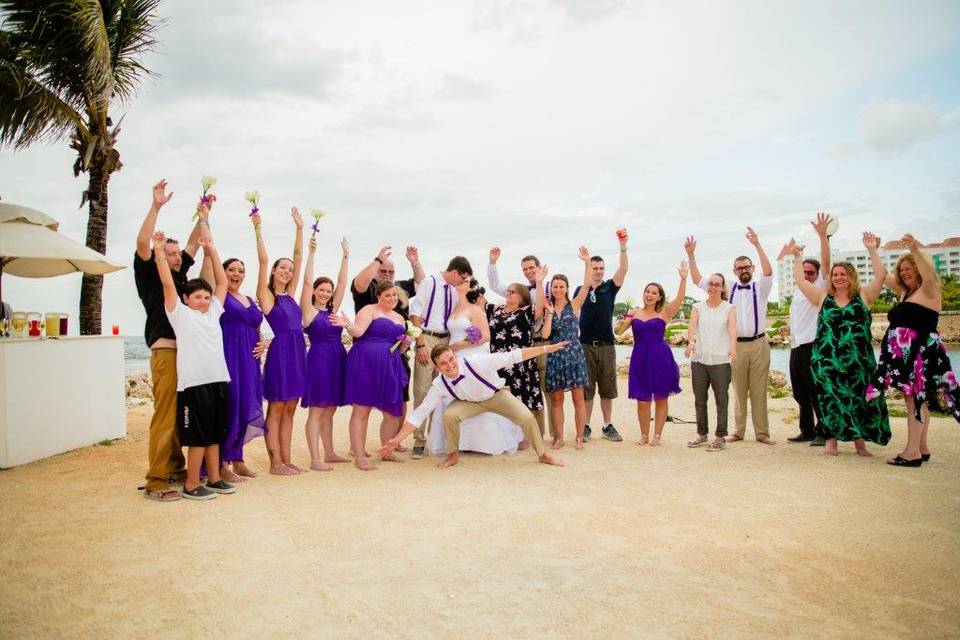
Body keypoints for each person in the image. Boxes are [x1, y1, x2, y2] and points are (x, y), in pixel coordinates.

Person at [134, 179, 209, 502]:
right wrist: (156, 206)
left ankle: (175, 468)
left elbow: (194, 244)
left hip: (186, 354)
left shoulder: (180, 275)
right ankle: (155, 480)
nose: (178, 257)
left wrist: (203, 214)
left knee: (181, 414)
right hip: (165, 349)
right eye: (171, 253)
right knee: (165, 415)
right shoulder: (151, 271)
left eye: (177, 254)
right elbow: (141, 242)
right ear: (158, 255)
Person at [379, 343, 568, 469]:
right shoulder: (439, 384)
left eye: (451, 359)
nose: (450, 365)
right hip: (469, 403)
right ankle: (453, 455)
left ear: (455, 356)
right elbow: (420, 413)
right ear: (436, 368)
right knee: (449, 415)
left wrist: (546, 348)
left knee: (527, 417)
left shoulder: (476, 362)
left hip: (496, 395)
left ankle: (543, 455)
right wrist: (396, 440)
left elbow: (514, 356)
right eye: (443, 364)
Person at [153, 227, 235, 500]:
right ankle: (190, 483)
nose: (202, 300)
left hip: (217, 381)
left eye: (205, 296)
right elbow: (167, 284)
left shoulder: (213, 312)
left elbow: (222, 285)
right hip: (194, 385)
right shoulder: (180, 314)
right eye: (197, 296)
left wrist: (211, 248)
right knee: (198, 437)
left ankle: (213, 478)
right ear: (186, 299)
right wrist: (158, 252)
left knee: (214, 435)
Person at [790, 234, 890, 456]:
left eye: (842, 274)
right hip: (828, 362)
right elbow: (800, 280)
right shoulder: (822, 296)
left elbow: (881, 275)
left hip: (859, 362)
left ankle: (860, 443)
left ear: (851, 276)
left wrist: (873, 250)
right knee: (829, 400)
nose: (838, 277)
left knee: (859, 400)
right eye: (835, 274)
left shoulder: (864, 296)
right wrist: (797, 257)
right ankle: (831, 442)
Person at [869, 234, 960, 467]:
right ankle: (921, 447)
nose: (905, 273)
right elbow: (883, 275)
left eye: (910, 269)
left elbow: (929, 273)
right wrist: (872, 251)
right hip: (910, 356)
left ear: (919, 269)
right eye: (903, 270)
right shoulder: (905, 292)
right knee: (919, 400)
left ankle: (912, 452)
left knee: (915, 401)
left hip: (920, 354)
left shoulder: (929, 289)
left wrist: (915, 249)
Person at [686, 227, 776, 445]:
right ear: (734, 271)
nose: (744, 270)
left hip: (759, 343)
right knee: (737, 390)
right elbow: (698, 279)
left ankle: (762, 433)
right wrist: (691, 256)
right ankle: (738, 431)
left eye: (747, 267)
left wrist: (757, 244)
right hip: (735, 346)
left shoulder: (761, 288)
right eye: (739, 268)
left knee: (758, 390)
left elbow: (768, 271)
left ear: (751, 268)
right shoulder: (728, 288)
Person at [426, 279, 524, 456]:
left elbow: (486, 336)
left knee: (477, 397)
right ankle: (461, 442)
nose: (459, 283)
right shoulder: (454, 309)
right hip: (453, 359)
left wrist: (460, 346)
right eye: (459, 280)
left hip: (470, 356)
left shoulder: (475, 309)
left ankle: (483, 443)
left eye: (464, 281)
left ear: (471, 286)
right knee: (453, 399)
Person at [252, 208, 306, 475]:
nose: (287, 271)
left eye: (290, 270)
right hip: (281, 353)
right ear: (274, 270)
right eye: (282, 267)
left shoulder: (291, 295)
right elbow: (262, 262)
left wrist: (299, 229)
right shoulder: (268, 295)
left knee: (290, 409)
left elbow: (299, 256)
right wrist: (258, 229)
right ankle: (275, 463)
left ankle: (286, 458)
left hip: (298, 354)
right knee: (276, 408)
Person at [336, 281, 410, 470]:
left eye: (394, 295)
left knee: (393, 412)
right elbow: (358, 332)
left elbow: (399, 349)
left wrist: (405, 345)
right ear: (379, 296)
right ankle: (360, 457)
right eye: (387, 295)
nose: (392, 299)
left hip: (390, 365)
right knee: (362, 411)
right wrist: (347, 325)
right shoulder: (368, 310)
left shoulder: (400, 319)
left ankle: (387, 451)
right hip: (365, 364)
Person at [409, 257, 473, 458]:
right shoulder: (430, 282)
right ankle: (419, 439)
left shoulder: (454, 290)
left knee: (444, 390)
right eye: (462, 277)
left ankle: (436, 438)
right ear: (455, 271)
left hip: (446, 341)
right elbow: (415, 312)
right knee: (422, 389)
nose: (462, 282)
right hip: (427, 337)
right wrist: (419, 343)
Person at [618, 261, 688, 446]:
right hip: (640, 358)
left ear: (659, 297)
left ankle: (657, 436)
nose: (649, 295)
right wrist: (622, 321)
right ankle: (643, 435)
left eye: (654, 292)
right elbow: (619, 332)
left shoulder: (665, 312)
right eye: (647, 291)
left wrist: (683, 278)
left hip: (660, 358)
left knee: (661, 397)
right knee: (642, 400)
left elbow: (680, 299)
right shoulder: (633, 312)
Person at [777, 213, 832, 446]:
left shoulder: (820, 286)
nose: (807, 275)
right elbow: (802, 316)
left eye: (811, 272)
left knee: (816, 390)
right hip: (796, 345)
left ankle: (824, 431)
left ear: (818, 275)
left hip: (813, 345)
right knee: (799, 391)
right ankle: (807, 429)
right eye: (805, 272)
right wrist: (789, 327)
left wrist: (823, 236)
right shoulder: (800, 291)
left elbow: (827, 263)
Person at [487, 249, 553, 439]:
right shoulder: (518, 291)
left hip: (546, 343)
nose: (528, 271)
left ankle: (541, 435)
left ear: (539, 268)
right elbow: (495, 285)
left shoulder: (549, 286)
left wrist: (540, 282)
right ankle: (519, 436)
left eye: (532, 267)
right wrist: (492, 263)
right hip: (520, 351)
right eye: (525, 268)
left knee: (542, 393)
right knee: (517, 394)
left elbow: (541, 309)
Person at [300, 234, 350, 470]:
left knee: (330, 409)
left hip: (337, 359)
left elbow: (342, 284)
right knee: (317, 410)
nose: (325, 293)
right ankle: (315, 458)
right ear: (315, 291)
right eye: (322, 289)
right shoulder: (309, 312)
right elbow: (307, 282)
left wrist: (346, 256)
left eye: (328, 291)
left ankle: (330, 453)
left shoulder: (333, 311)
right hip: (319, 361)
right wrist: (311, 252)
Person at [213, 257, 266, 482]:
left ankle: (239, 459)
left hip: (250, 360)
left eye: (241, 271)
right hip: (229, 356)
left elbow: (257, 326)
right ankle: (222, 464)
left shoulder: (249, 299)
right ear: (223, 272)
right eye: (231, 269)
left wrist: (263, 342)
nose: (236, 274)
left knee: (246, 404)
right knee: (231, 406)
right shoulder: (220, 295)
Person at [575, 230, 629, 443]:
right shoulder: (581, 289)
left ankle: (607, 425)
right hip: (585, 345)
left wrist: (623, 247)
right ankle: (586, 425)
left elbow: (623, 269)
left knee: (607, 388)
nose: (597, 271)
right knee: (587, 389)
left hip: (607, 346)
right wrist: (586, 264)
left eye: (600, 268)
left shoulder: (610, 288)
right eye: (594, 268)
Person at [542, 248, 592, 449]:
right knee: (557, 399)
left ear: (567, 288)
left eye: (561, 286)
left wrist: (587, 262)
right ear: (551, 288)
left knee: (578, 398)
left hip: (574, 355)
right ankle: (559, 437)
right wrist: (548, 314)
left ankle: (579, 437)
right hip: (555, 355)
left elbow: (587, 285)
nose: (558, 290)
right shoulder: (548, 307)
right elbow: (545, 335)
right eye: (555, 286)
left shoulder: (575, 305)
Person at [683, 273, 737, 451]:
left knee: (721, 399)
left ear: (722, 288)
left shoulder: (729, 308)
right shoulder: (697, 307)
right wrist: (691, 344)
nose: (713, 287)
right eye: (711, 284)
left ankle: (720, 436)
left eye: (717, 284)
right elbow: (692, 327)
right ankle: (702, 434)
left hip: (721, 361)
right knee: (700, 399)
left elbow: (732, 330)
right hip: (700, 359)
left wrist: (733, 348)